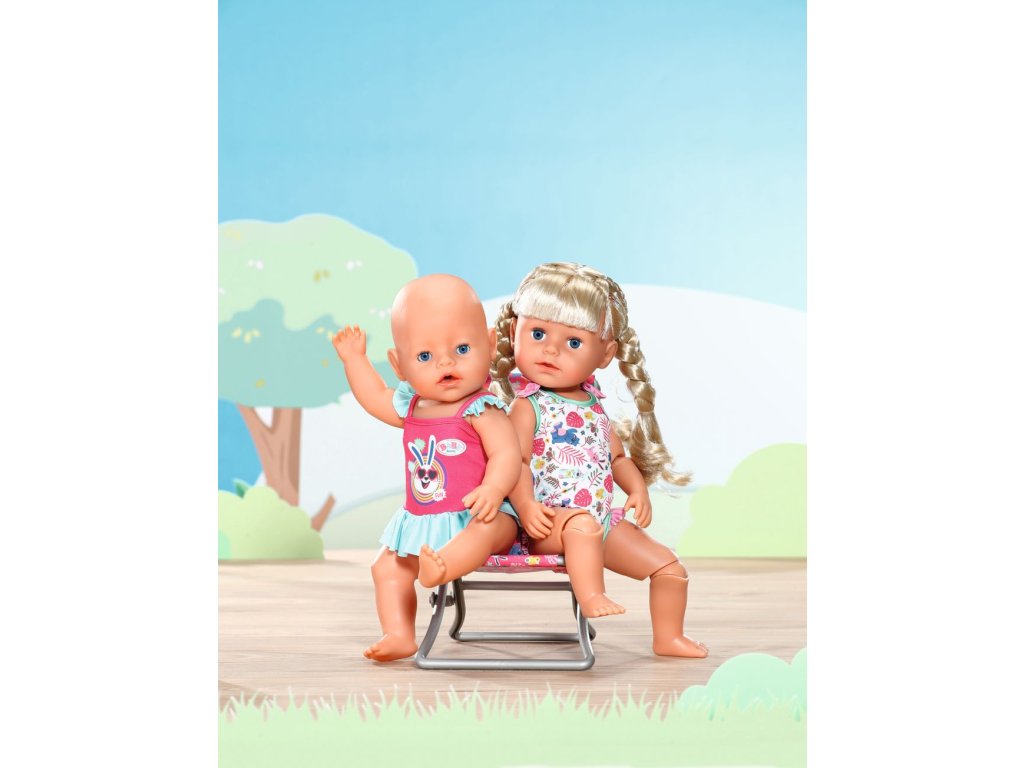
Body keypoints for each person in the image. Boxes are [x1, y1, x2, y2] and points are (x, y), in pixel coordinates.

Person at [491, 262, 709, 657]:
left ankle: (669, 638)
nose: (551, 350)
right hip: (550, 523)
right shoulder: (527, 406)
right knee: (582, 526)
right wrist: (525, 505)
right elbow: (515, 462)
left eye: (573, 342)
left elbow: (617, 458)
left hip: (602, 522)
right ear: (514, 332)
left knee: (669, 568)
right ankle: (591, 594)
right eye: (538, 334)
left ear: (606, 354)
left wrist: (638, 489)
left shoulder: (594, 406)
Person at [333, 274, 520, 662]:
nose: (445, 363)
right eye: (424, 357)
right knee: (386, 567)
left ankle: (445, 566)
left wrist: (493, 489)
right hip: (424, 521)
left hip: (482, 514)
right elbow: (375, 396)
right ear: (399, 365)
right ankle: (398, 634)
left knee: (486, 530)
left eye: (462, 348)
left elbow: (507, 454)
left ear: (490, 345)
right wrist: (354, 361)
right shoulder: (413, 407)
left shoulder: (481, 409)